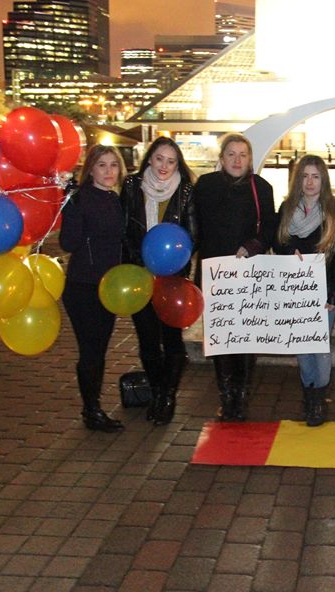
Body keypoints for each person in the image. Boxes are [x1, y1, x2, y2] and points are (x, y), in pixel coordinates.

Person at [194, 133, 276, 421]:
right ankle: (225, 394)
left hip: (248, 274)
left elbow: (269, 228)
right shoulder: (205, 185)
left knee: (246, 338)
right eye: (231, 154)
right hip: (214, 275)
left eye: (243, 154)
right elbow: (194, 226)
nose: (237, 160)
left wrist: (252, 246)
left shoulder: (261, 188)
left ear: (250, 159)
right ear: (222, 157)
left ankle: (241, 393)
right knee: (219, 339)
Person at [121, 137, 197, 426]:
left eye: (171, 161)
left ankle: (168, 395)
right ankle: (156, 391)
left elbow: (192, 233)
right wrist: (138, 257)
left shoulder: (186, 190)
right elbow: (125, 228)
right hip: (139, 274)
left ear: (177, 164)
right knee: (148, 341)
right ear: (149, 158)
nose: (164, 166)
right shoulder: (131, 187)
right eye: (159, 158)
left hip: (172, 277)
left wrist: (174, 262)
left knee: (172, 340)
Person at [271, 155, 335, 426]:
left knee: (320, 346)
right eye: (305, 176)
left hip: (324, 291)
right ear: (297, 180)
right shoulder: (286, 209)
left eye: (315, 176)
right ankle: (309, 394)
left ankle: (319, 399)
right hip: (295, 291)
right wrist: (286, 251)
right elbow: (277, 243)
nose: (310, 182)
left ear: (323, 180)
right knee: (302, 347)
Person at [59, 145, 127, 433]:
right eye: (102, 165)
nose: (109, 171)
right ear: (91, 169)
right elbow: (68, 243)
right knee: (91, 350)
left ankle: (93, 406)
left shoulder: (115, 199)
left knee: (98, 349)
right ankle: (91, 410)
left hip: (107, 286)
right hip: (83, 286)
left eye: (114, 165)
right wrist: (70, 207)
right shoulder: (81, 199)